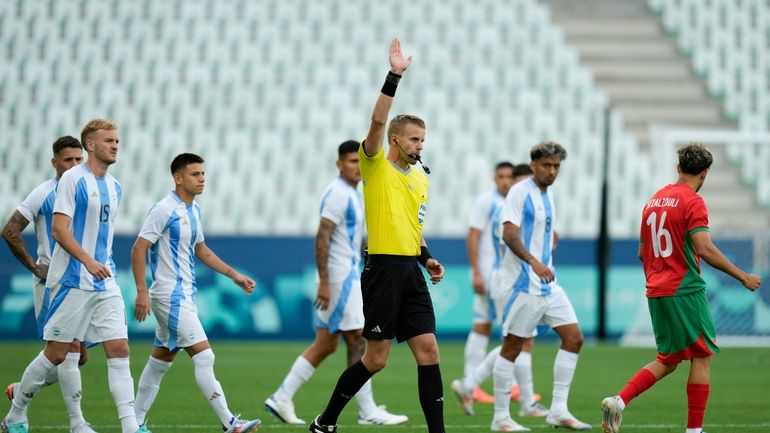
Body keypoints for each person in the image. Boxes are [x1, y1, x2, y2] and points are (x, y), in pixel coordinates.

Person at [309, 38, 446, 433]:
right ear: (395, 140)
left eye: (423, 139)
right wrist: (394, 76)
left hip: (411, 272)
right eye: (413, 139)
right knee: (376, 359)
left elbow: (412, 228)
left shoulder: (420, 177)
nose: (420, 145)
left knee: (429, 351)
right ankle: (325, 420)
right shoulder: (375, 167)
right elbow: (375, 123)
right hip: (383, 271)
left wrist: (427, 258)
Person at [600, 143, 761, 433]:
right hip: (685, 290)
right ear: (705, 173)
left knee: (670, 359)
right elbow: (705, 248)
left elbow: (641, 253)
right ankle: (694, 431)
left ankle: (619, 401)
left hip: (656, 290)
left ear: (678, 168)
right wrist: (742, 277)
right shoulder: (693, 201)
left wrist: (659, 276)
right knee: (701, 357)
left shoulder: (654, 200)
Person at [1, 119, 149, 433]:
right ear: (91, 144)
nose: (115, 146)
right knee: (58, 354)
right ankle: (16, 415)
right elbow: (59, 230)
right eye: (109, 140)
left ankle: (130, 427)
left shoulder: (115, 185)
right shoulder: (71, 181)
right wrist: (86, 261)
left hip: (104, 281)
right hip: (70, 281)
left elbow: (101, 236)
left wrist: (100, 264)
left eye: (117, 141)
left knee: (119, 348)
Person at [265, 141, 408, 426]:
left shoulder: (353, 192)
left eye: (359, 161)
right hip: (340, 279)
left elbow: (353, 237)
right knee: (359, 339)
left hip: (347, 274)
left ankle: (282, 397)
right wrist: (326, 283)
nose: (357, 166)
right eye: (351, 161)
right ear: (339, 164)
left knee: (327, 344)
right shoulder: (338, 194)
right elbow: (323, 237)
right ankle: (366, 410)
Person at [131, 153, 261, 433]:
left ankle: (134, 423)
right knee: (204, 357)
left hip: (182, 296)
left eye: (203, 174)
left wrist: (234, 275)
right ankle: (230, 423)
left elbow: (201, 250)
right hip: (170, 296)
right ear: (178, 178)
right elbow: (139, 248)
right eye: (195, 174)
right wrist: (142, 291)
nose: (202, 179)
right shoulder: (164, 209)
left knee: (161, 360)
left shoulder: (194, 210)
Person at [490, 142, 591, 431]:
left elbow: (537, 229)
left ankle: (558, 410)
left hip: (548, 283)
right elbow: (509, 234)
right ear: (533, 165)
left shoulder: (548, 195)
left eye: (556, 166)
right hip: (524, 284)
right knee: (512, 347)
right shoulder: (519, 193)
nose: (552, 171)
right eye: (547, 165)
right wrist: (533, 260)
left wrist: (549, 238)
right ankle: (500, 417)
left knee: (574, 339)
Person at [1, 136, 93, 433]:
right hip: (55, 285)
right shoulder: (44, 193)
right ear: (55, 162)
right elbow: (11, 230)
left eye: (79, 160)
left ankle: (22, 391)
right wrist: (33, 266)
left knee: (77, 356)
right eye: (68, 160)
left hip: (82, 283)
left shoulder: (90, 191)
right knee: (67, 351)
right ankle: (74, 423)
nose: (75, 165)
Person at [452, 163, 547, 419]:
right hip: (507, 280)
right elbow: (484, 239)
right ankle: (522, 399)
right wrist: (477, 272)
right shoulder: (502, 207)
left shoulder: (508, 207)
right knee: (519, 339)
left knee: (508, 336)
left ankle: (473, 385)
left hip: (502, 279)